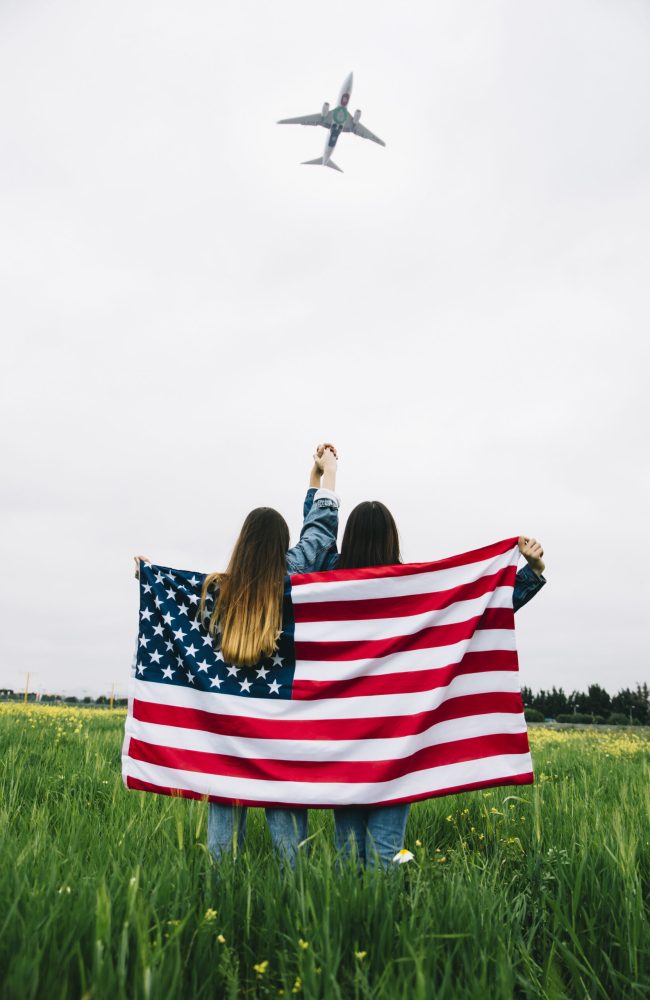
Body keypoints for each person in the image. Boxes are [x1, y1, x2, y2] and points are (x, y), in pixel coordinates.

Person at [299, 495, 547, 869]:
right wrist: (532, 571)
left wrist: (319, 484)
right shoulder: (413, 586)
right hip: (399, 740)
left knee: (346, 851)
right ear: (392, 539)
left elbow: (314, 540)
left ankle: (346, 924)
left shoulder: (330, 582)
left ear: (347, 539)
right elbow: (478, 609)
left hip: (345, 741)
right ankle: (379, 926)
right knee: (386, 850)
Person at [134, 443, 340, 869]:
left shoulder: (214, 591)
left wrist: (150, 576)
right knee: (291, 854)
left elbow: (175, 596)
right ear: (283, 544)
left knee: (221, 849)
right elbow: (320, 533)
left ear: (242, 543)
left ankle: (221, 906)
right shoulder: (295, 579)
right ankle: (295, 910)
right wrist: (324, 477)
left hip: (227, 735)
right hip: (280, 736)